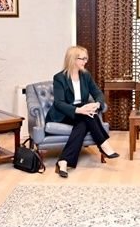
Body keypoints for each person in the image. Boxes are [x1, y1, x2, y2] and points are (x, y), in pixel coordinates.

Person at [46, 45, 119, 178]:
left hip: (81, 112)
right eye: (83, 59)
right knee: (88, 115)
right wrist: (79, 110)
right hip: (64, 113)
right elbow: (59, 103)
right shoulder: (59, 78)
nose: (85, 61)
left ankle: (63, 161)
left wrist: (97, 103)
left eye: (86, 59)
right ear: (73, 59)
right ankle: (103, 144)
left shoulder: (85, 75)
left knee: (84, 120)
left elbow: (98, 93)